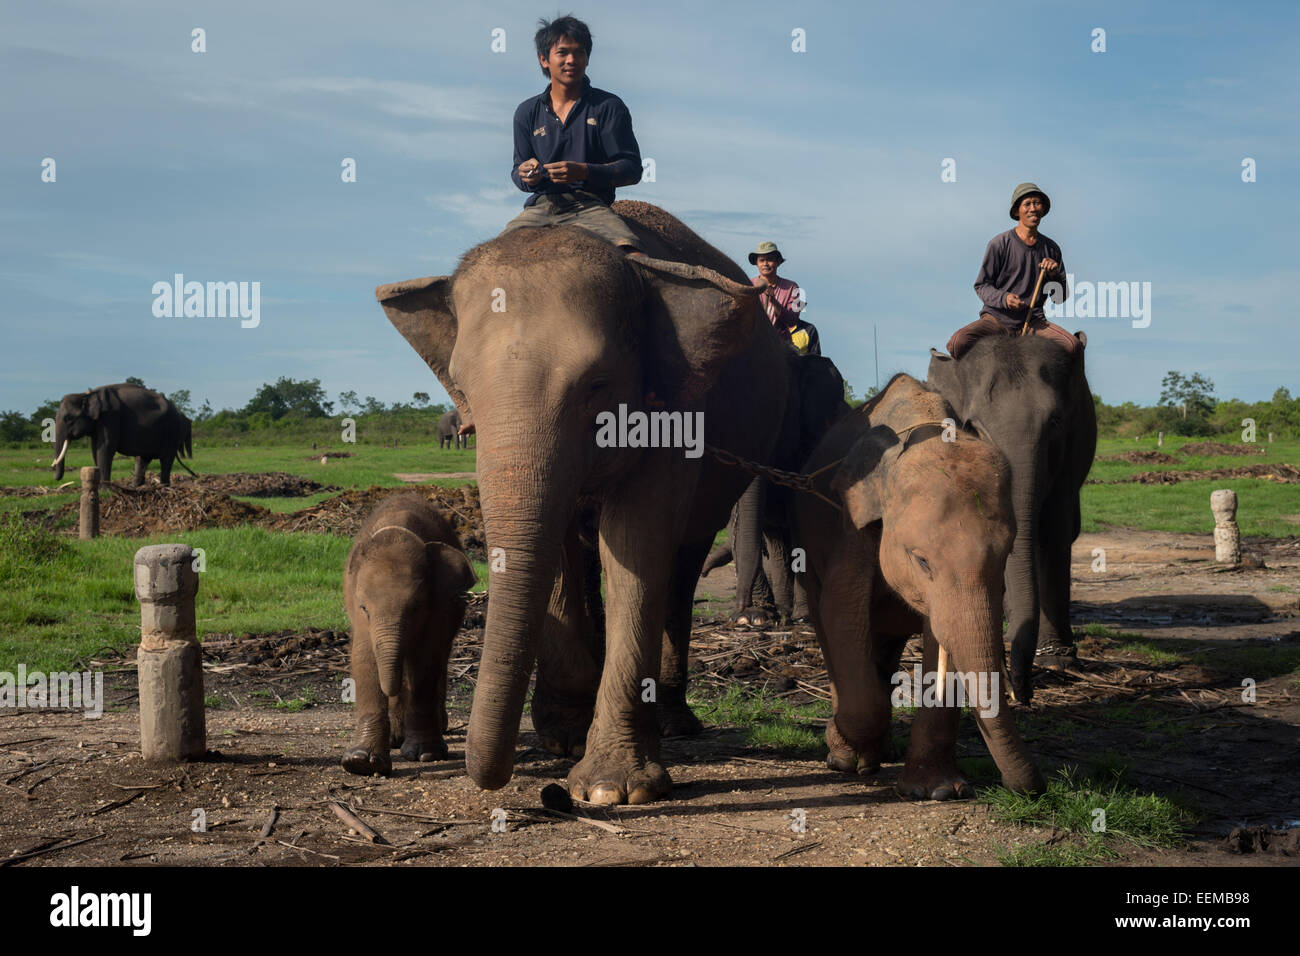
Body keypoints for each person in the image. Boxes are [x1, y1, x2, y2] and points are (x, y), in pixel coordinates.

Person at [503, 15, 644, 253]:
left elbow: (632, 169)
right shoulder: (526, 112)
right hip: (540, 207)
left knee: (632, 256)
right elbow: (518, 172)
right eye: (563, 52)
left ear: (588, 59)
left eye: (580, 53)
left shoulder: (608, 106)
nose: (572, 60)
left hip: (590, 206)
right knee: (489, 260)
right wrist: (527, 174)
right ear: (544, 59)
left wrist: (584, 171)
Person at [946, 183, 1080, 359]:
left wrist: (1054, 275)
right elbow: (982, 285)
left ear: (1043, 209)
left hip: (1033, 321)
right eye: (1027, 204)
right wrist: (1005, 298)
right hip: (996, 319)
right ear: (1017, 211)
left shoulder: (1052, 249)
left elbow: (1059, 298)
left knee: (1073, 346)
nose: (1033, 208)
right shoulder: (999, 244)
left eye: (1037, 203)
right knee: (957, 343)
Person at [749, 241, 820, 356]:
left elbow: (793, 320)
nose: (765, 264)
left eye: (770, 259)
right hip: (752, 343)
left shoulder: (794, 288)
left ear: (778, 262)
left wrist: (772, 300)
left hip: (782, 346)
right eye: (761, 260)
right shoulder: (748, 285)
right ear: (757, 263)